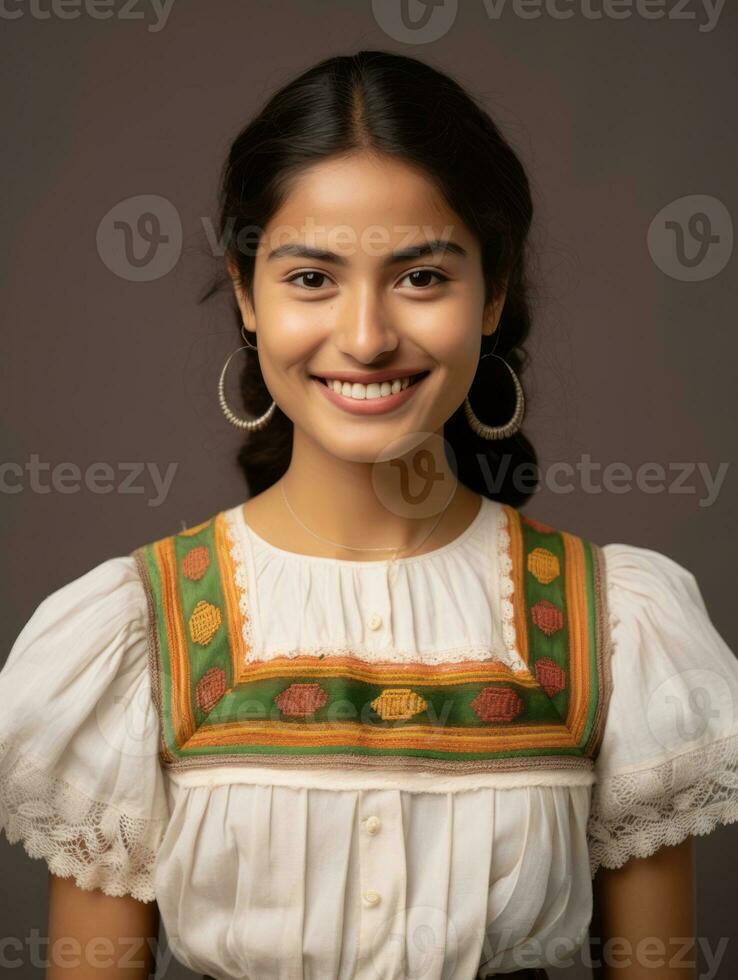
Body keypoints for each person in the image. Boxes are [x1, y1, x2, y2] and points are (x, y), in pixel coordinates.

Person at [1, 50, 737, 980]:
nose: (365, 336)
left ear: (494, 292)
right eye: (312, 278)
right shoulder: (139, 628)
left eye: (421, 277)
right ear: (246, 293)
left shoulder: (614, 624)